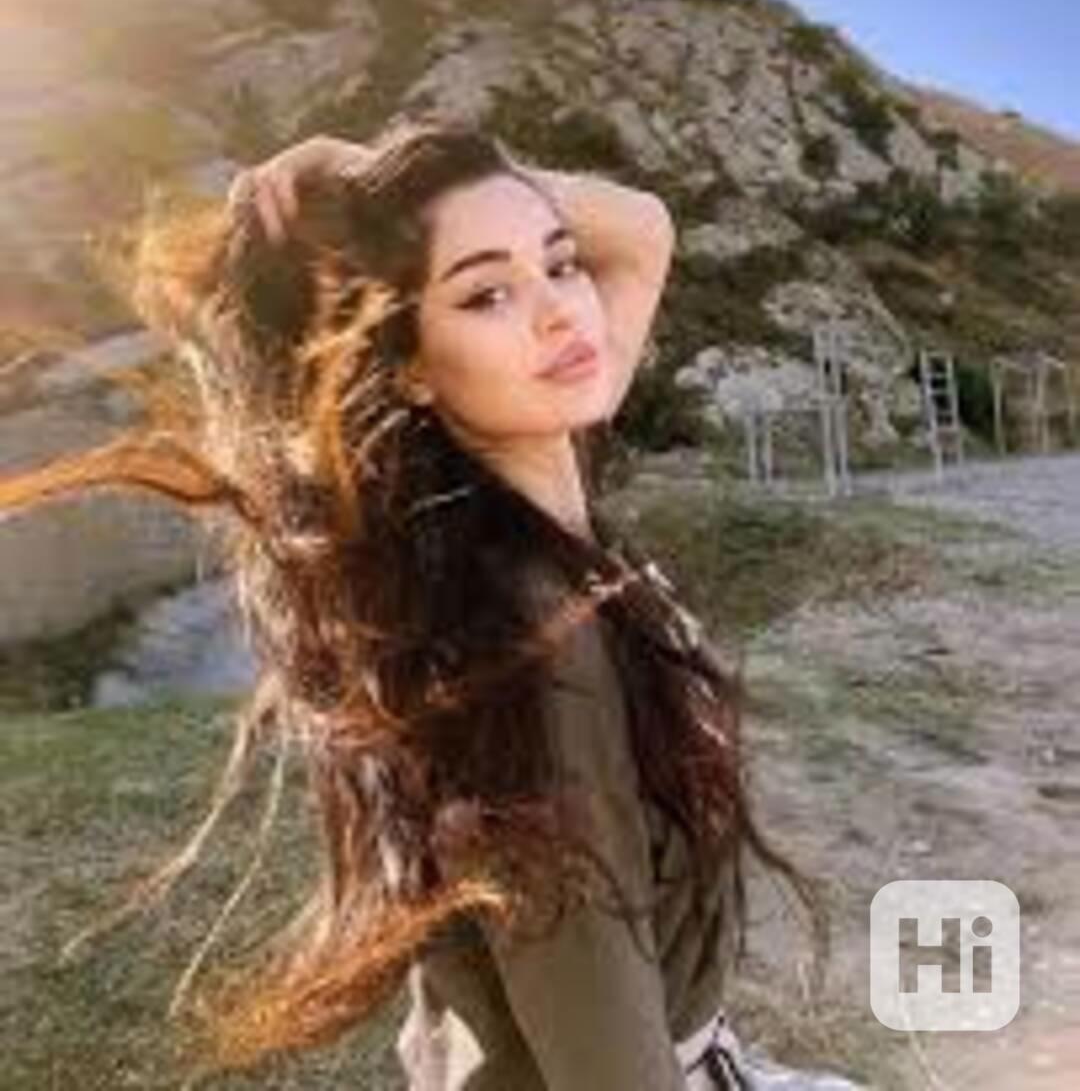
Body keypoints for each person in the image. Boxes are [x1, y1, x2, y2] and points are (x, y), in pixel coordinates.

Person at [1, 118, 850, 1089]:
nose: (559, 313)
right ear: (409, 365)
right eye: (487, 293)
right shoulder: (538, 650)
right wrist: (398, 201)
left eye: (560, 264)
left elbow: (644, 227)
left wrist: (382, 176)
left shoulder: (515, 510)